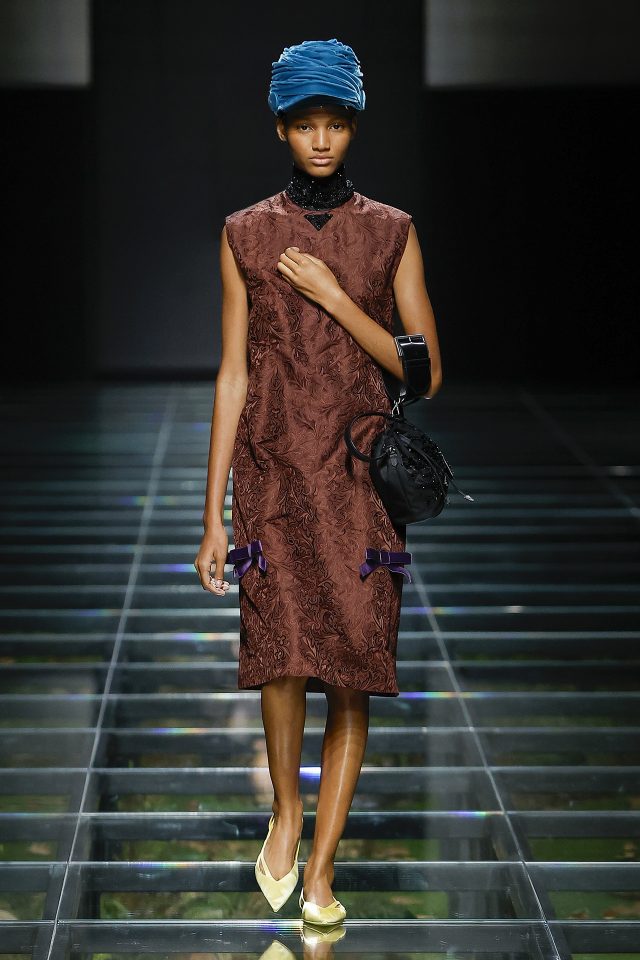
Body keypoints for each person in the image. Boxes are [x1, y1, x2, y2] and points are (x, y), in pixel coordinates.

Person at [194, 38, 442, 926]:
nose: (323, 140)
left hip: (359, 478)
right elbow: (232, 373)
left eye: (336, 123)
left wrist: (338, 299)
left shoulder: (392, 231)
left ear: (354, 126)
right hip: (271, 470)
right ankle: (287, 813)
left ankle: (324, 872)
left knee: (352, 668)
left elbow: (426, 373)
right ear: (281, 129)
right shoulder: (245, 234)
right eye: (307, 125)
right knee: (280, 656)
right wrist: (213, 515)